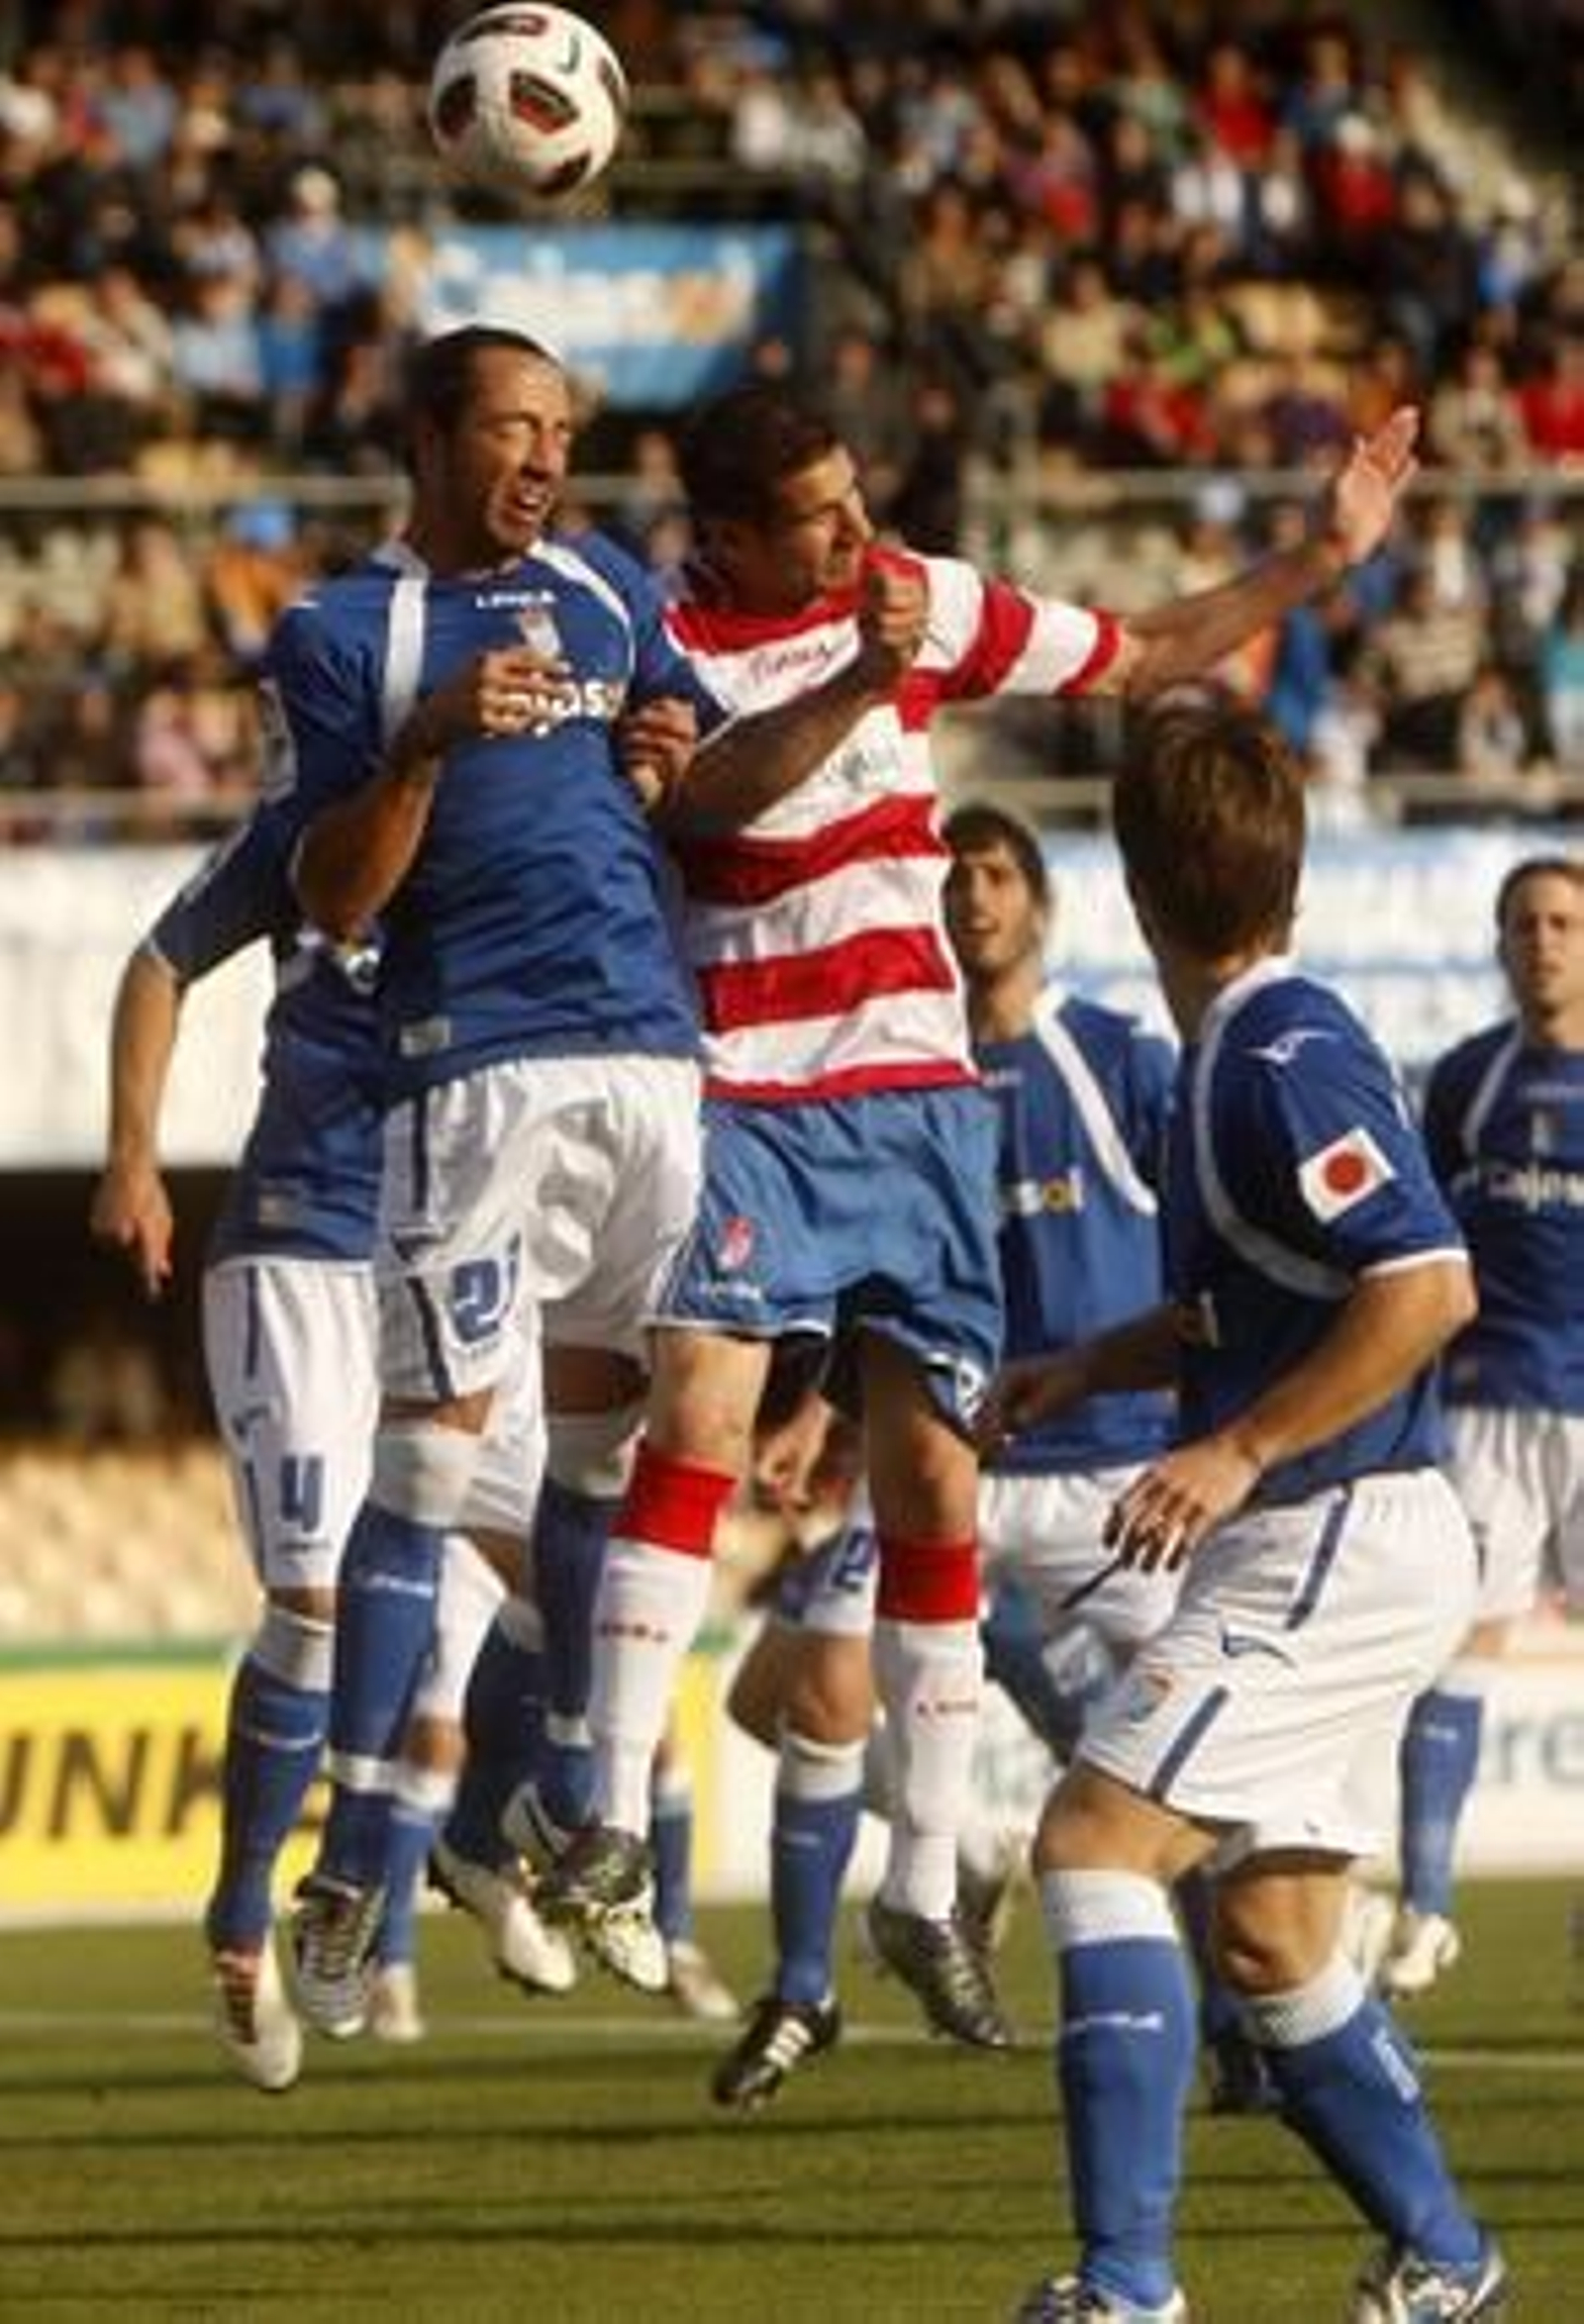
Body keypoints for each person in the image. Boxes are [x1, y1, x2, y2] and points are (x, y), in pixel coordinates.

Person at [536, 380, 1424, 2042]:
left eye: (861, 491)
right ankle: (593, 1810)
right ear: (729, 535)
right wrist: (871, 677)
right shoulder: (669, 643)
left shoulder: (924, 596)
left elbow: (1148, 648)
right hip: (755, 1093)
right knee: (707, 1407)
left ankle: (924, 1881)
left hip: (925, 1112)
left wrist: (1323, 551)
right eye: (818, 512)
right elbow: (703, 813)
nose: (858, 531)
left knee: (935, 1480)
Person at [273, 326, 908, 2023]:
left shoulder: (613, 587)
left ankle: (564, 1800)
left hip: (650, 1061)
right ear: (425, 435)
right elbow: (332, 900)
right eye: (509, 427)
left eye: (562, 428)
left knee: (610, 1467)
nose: (544, 457)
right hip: (473, 1071)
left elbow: (687, 774)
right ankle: (352, 1861)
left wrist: (664, 757)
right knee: (422, 1479)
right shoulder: (346, 628)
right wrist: (416, 747)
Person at [990, 704, 1504, 2324]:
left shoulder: (1284, 1055)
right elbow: (1251, 1308)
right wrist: (1094, 1364)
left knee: (1092, 1840)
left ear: (1132, 884)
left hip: (1339, 1519)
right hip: (1345, 1521)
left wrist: (1234, 1451)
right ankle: (1449, 2257)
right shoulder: (1234, 1057)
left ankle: (1128, 2284)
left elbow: (1425, 1286)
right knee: (1272, 1933)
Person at [710, 802, 1181, 2105]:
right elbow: (880, 1280)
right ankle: (809, 1985)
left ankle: (1258, 2014)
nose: (971, 898)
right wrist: (820, 1412)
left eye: (993, 875)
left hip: (1100, 1459)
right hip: (941, 1449)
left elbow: (1206, 1234)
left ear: (1037, 901)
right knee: (797, 1695)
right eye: (952, 879)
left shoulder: (1114, 1059)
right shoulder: (898, 1074)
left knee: (1183, 1751)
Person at [89, 810, 562, 2089]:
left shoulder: (528, 823)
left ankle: (471, 1835)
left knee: (583, 1569)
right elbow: (158, 959)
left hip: (460, 1256)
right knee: (308, 1606)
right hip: (302, 1248)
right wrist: (134, 1154)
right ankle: (244, 1916)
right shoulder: (301, 834)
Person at [1381, 853, 1584, 1999]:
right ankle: (1427, 1903)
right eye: (1523, 923)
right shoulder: (1465, 1080)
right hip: (1490, 1401)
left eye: (1561, 921)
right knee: (1455, 1649)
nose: (1542, 940)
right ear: (1501, 942)